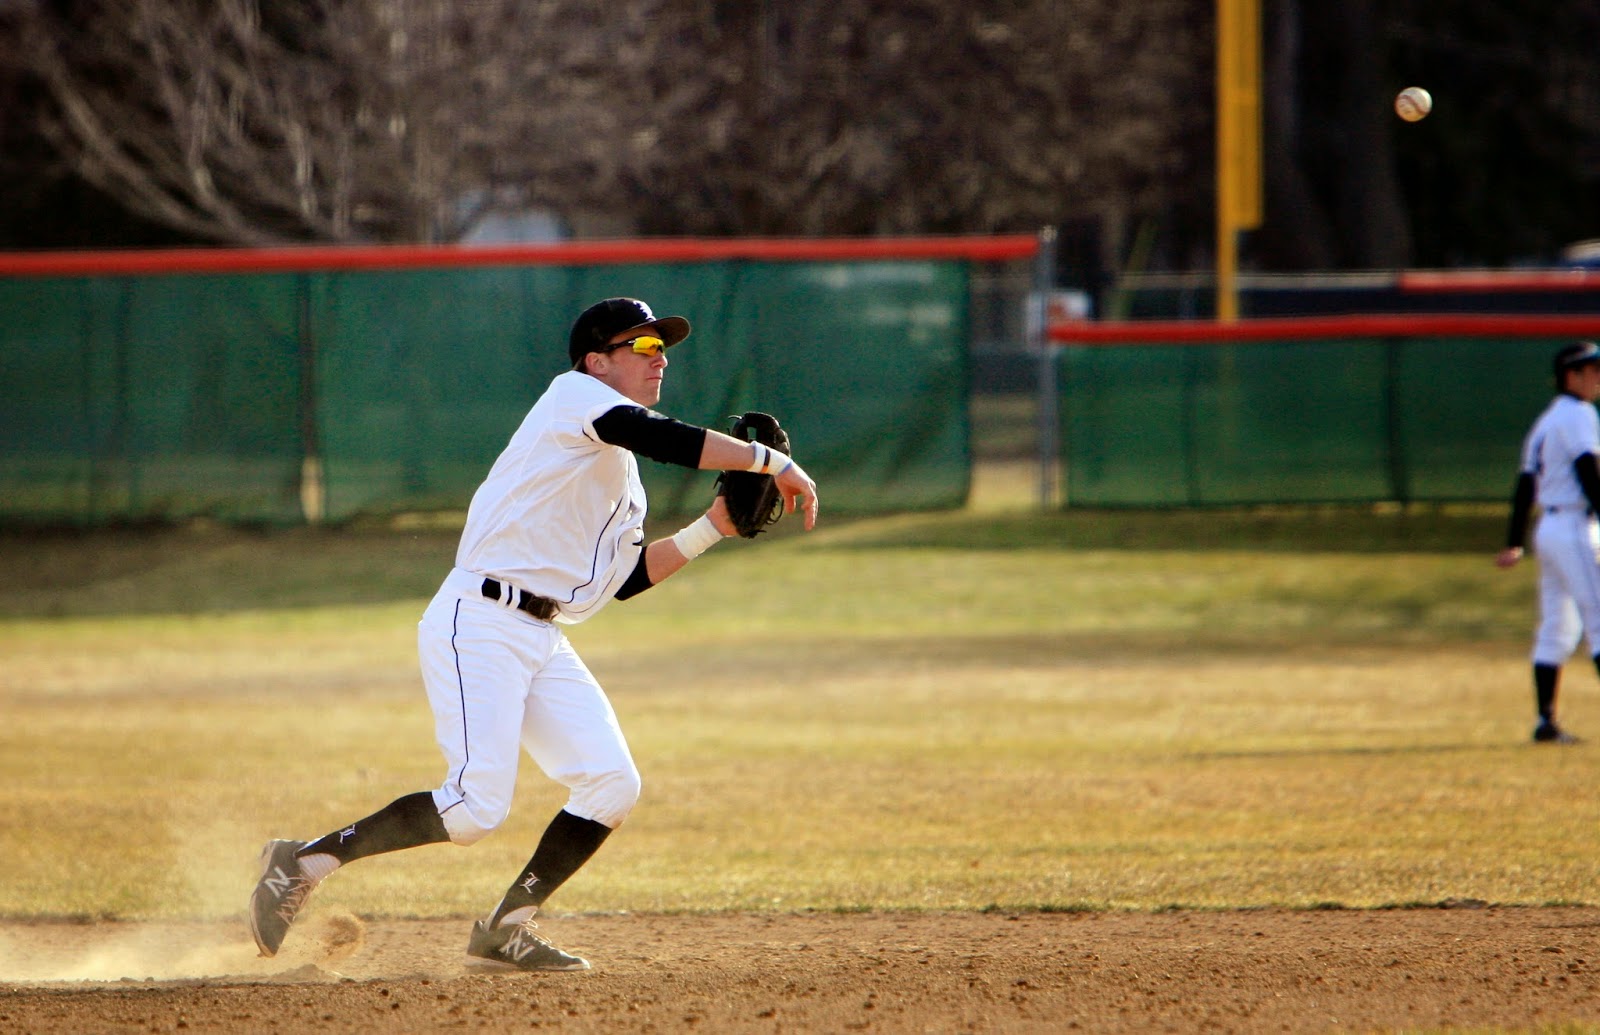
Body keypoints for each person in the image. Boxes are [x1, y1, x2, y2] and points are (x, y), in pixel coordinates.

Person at [249, 297, 819, 971]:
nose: (658, 356)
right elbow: (666, 438)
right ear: (595, 360)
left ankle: (507, 924)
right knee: (471, 809)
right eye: (641, 346)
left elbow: (624, 577)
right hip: (480, 619)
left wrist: (712, 529)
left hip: (541, 634)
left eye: (661, 347)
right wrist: (767, 462)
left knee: (612, 783)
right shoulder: (573, 399)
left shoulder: (619, 478)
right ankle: (302, 862)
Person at [1496, 340, 1600, 744]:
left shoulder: (1546, 421)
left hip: (1549, 530)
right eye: (1591, 370)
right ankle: (1546, 721)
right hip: (1574, 526)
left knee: (1558, 626)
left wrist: (1514, 541)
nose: (1597, 378)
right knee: (1597, 618)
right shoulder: (1578, 415)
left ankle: (1545, 721)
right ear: (1571, 376)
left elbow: (1525, 486)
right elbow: (1589, 474)